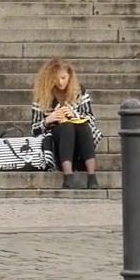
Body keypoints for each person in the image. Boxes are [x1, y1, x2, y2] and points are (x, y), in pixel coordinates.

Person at [31, 58, 102, 190]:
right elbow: (34, 130)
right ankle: (68, 176)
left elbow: (91, 119)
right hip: (56, 145)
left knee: (82, 126)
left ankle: (92, 177)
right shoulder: (42, 96)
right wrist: (48, 120)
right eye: (55, 79)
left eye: (63, 78)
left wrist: (74, 114)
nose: (60, 82)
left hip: (79, 144)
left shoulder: (79, 92)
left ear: (69, 76)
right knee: (66, 127)